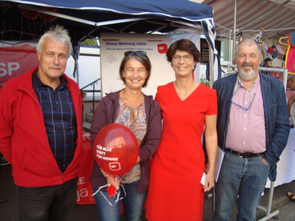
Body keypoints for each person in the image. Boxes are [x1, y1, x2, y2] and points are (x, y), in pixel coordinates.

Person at [0, 25, 83, 221]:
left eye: (62, 56)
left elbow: (75, 130)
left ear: (67, 59)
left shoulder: (73, 89)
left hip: (68, 179)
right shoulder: (14, 89)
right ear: (39, 54)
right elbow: (3, 134)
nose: (56, 61)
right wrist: (24, 163)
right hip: (33, 183)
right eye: (50, 54)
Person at [213, 38, 290, 221]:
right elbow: (212, 126)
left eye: (252, 55)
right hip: (227, 161)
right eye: (242, 55)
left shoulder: (275, 87)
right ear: (235, 59)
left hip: (259, 163)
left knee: (248, 215)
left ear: (260, 58)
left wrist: (269, 159)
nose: (247, 60)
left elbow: (282, 126)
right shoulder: (221, 86)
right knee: (221, 213)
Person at [146, 39, 218, 221]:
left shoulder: (209, 95)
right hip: (163, 165)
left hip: (192, 167)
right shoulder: (161, 92)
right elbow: (152, 129)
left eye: (187, 57)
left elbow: (210, 134)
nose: (181, 61)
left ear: (195, 61)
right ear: (171, 62)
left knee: (189, 214)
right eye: (177, 57)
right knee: (160, 214)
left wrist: (211, 171)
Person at [90, 51, 161, 221]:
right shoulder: (108, 103)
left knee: (134, 219)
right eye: (130, 69)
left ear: (147, 73)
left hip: (136, 178)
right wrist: (108, 172)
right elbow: (96, 138)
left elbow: (153, 141)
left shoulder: (153, 106)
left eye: (141, 69)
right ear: (122, 73)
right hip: (107, 176)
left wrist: (131, 160)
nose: (135, 75)